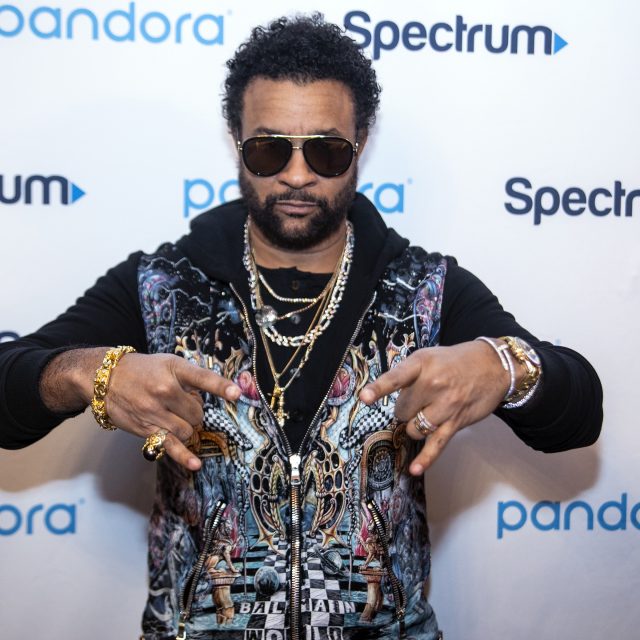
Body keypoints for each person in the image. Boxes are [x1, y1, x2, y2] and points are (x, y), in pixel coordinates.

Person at [0, 14, 602, 640]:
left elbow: (579, 413)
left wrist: (504, 366)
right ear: (237, 141)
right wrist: (91, 373)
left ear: (360, 144)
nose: (295, 174)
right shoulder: (161, 285)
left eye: (325, 150)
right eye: (268, 149)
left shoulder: (425, 288)